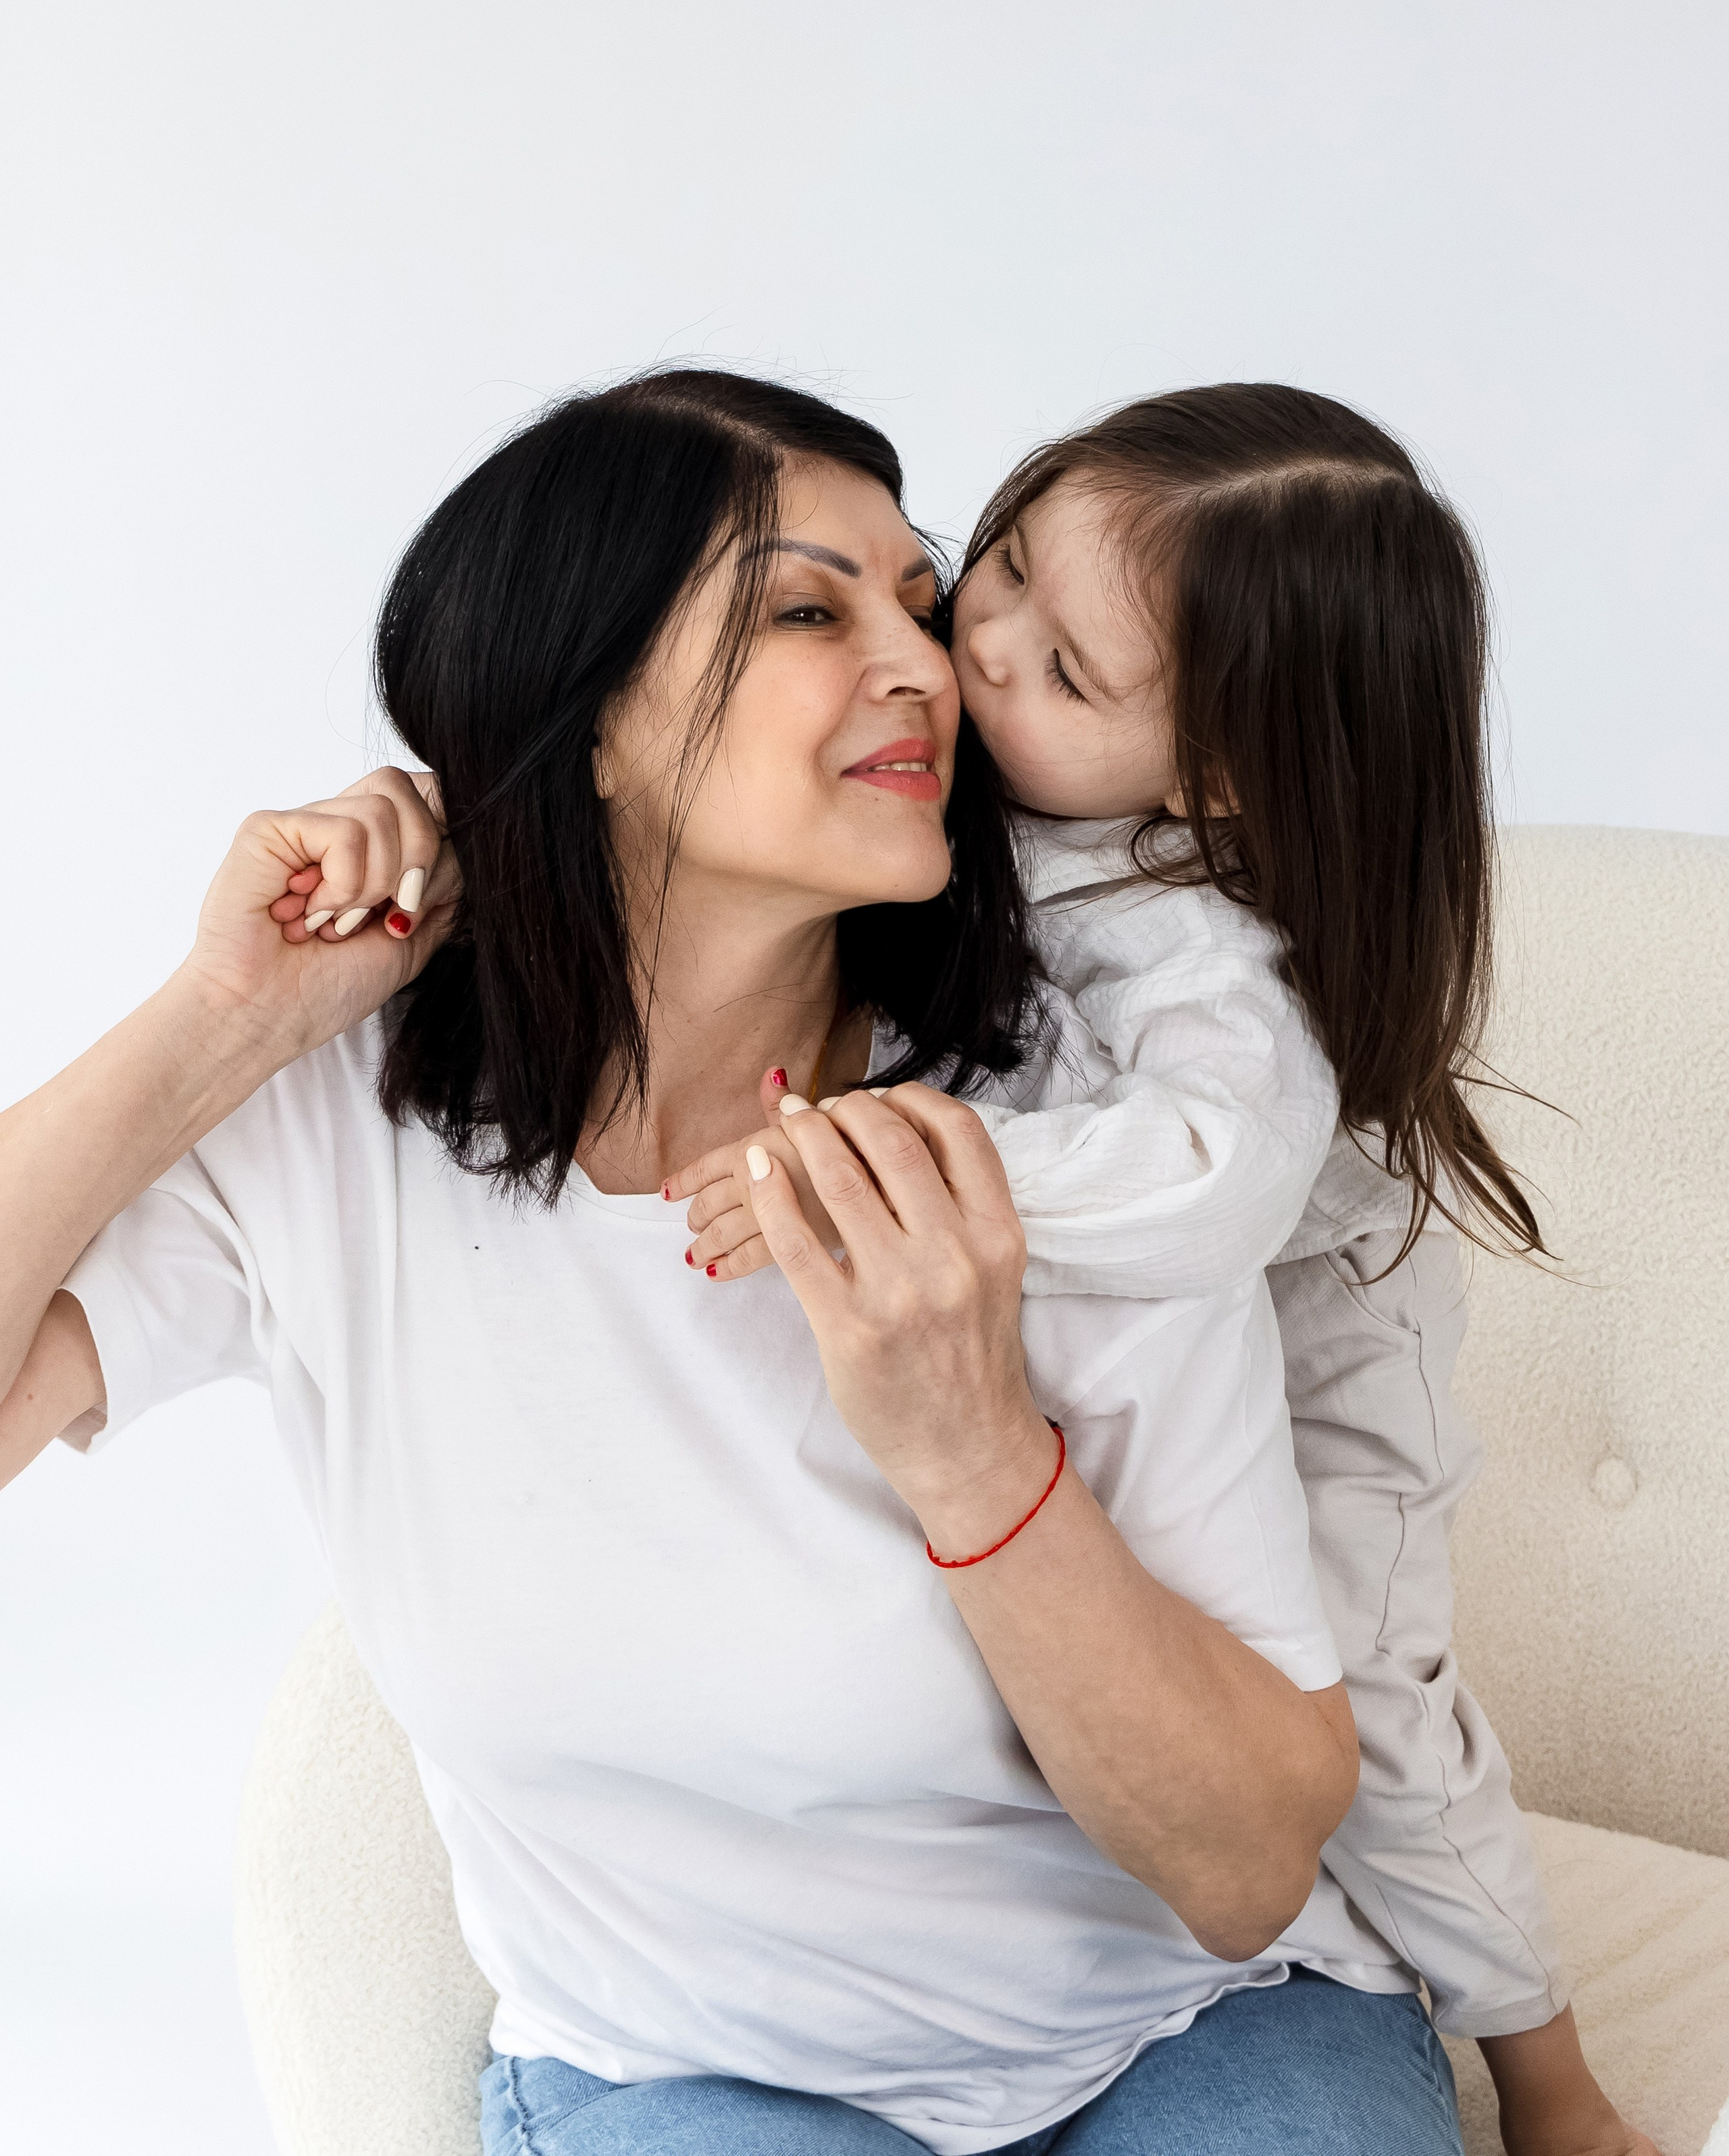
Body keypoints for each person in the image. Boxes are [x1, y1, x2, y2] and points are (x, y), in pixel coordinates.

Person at [0, 368, 1468, 2154]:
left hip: (1186, 2032)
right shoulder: (337, 1126)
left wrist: (974, 1448)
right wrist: (218, 1020)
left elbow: (1245, 1871)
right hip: (690, 2076)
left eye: (919, 604)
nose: (929, 665)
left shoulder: (1065, 1136)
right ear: (587, 704)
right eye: (804, 608)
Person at [679, 382, 1655, 2156]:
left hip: (1317, 1339)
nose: (973, 651)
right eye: (999, 571)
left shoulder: (1206, 954)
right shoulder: (984, 738)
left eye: (1061, 674)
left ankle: (1549, 2071)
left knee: (1369, 1711)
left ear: (1212, 774)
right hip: (1125, 1347)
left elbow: (1215, 1185)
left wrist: (905, 1171)